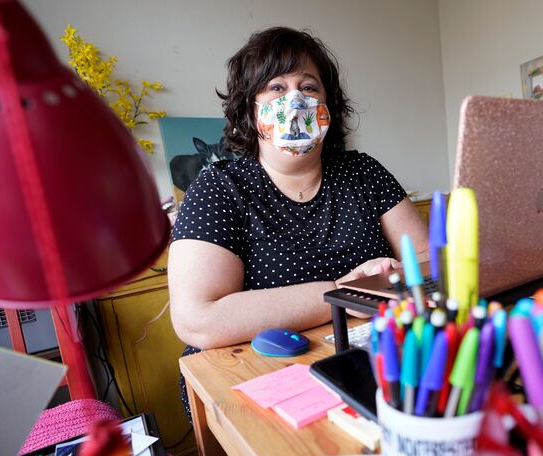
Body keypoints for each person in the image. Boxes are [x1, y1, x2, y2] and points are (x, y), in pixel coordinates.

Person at [168, 25, 428, 354]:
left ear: (327, 107)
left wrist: (392, 275)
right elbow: (197, 320)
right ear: (250, 109)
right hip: (257, 369)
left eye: (308, 87)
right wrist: (342, 293)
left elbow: (428, 261)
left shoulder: (364, 172)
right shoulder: (219, 186)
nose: (295, 100)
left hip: (376, 351)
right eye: (276, 87)